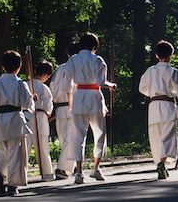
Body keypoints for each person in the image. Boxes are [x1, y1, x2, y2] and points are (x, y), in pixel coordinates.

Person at [0, 51, 34, 196]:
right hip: (15, 118)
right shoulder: (20, 83)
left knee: (1, 150)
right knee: (15, 152)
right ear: (19, 66)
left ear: (3, 66)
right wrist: (32, 98)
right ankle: (12, 184)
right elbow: (27, 103)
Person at [66, 32, 117, 184]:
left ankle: (79, 172)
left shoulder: (73, 60)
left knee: (78, 135)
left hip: (79, 97)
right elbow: (101, 82)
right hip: (94, 97)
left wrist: (70, 101)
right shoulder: (98, 60)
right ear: (95, 46)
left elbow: (67, 83)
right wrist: (111, 85)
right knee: (99, 133)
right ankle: (96, 167)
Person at [138, 40, 178, 179]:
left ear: (156, 55)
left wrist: (152, 92)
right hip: (168, 106)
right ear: (170, 56)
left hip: (154, 106)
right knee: (168, 137)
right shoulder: (174, 72)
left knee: (155, 137)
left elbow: (142, 88)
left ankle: (160, 163)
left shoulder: (150, 71)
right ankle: (162, 162)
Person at [49, 42, 80, 180]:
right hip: (73, 105)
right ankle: (63, 168)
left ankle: (69, 166)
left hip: (60, 107)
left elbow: (52, 87)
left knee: (65, 138)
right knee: (69, 139)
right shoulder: (78, 67)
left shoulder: (60, 68)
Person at [25, 60, 55, 182]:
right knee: (42, 145)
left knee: (24, 146)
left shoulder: (25, 85)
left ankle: (20, 174)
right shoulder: (44, 88)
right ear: (45, 75)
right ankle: (46, 173)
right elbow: (49, 108)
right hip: (41, 116)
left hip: (25, 116)